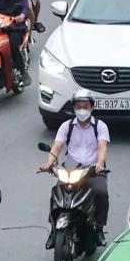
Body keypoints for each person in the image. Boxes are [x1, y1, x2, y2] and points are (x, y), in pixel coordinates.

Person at [39, 89, 110, 246]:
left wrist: (99, 164)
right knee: (56, 194)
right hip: (71, 170)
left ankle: (99, 228)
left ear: (91, 107)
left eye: (85, 106)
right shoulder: (66, 126)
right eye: (78, 106)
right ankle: (54, 230)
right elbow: (56, 147)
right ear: (74, 108)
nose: (82, 109)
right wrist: (49, 163)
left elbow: (102, 147)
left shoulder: (100, 126)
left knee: (101, 193)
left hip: (92, 171)